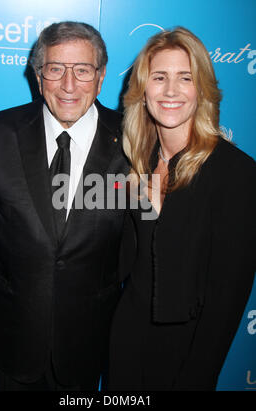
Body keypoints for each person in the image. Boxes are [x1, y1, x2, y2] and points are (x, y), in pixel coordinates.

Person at [0, 21, 129, 391]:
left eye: (82, 70)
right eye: (56, 69)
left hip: (91, 340)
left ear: (100, 79)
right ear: (39, 77)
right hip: (12, 336)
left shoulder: (134, 140)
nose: (69, 85)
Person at [108, 27, 256, 391]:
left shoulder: (235, 171)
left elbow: (228, 297)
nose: (171, 91)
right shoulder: (135, 163)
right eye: (159, 78)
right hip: (125, 341)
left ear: (201, 90)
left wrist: (199, 374)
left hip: (186, 352)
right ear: (142, 93)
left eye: (184, 78)